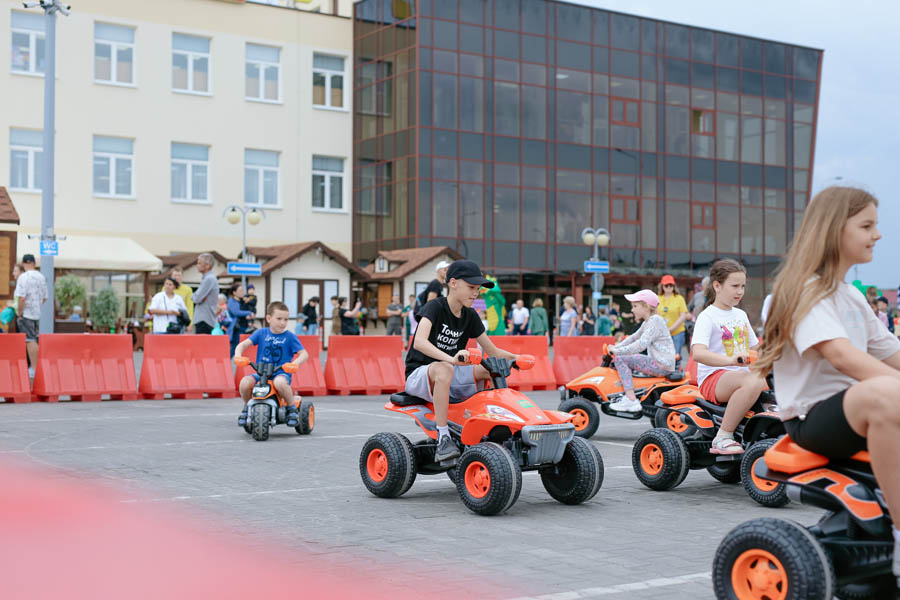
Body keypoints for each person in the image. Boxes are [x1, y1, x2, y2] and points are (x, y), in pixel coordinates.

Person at [753, 186, 900, 586]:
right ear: (836, 230)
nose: (878, 235)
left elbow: (891, 353)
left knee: (885, 391)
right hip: (814, 418)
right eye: (867, 225)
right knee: (886, 394)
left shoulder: (850, 295)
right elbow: (843, 357)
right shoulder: (804, 289)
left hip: (856, 409)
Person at [405, 260, 518, 461]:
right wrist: (451, 359)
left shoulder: (470, 315)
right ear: (453, 283)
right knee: (444, 369)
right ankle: (443, 437)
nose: (476, 293)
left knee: (489, 369)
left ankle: (488, 423)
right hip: (420, 375)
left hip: (450, 369)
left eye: (478, 289)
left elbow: (492, 351)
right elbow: (419, 343)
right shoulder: (435, 307)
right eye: (471, 288)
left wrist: (517, 359)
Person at [691, 259, 766, 455]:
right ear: (717, 285)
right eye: (734, 286)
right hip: (714, 378)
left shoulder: (740, 315)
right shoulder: (707, 316)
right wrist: (731, 361)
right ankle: (723, 435)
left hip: (739, 374)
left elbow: (757, 347)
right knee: (753, 380)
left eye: (742, 286)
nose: (740, 291)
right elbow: (698, 353)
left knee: (773, 380)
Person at [234, 301, 309, 428]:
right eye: (279, 318)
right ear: (269, 318)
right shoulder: (261, 333)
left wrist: (295, 363)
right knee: (244, 382)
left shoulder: (289, 336)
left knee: (279, 383)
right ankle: (248, 406)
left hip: (281, 372)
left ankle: (292, 409)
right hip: (261, 373)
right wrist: (238, 355)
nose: (282, 323)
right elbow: (243, 344)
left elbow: (304, 354)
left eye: (286, 319)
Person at [607, 290, 677, 412]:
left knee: (620, 359)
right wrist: (616, 347)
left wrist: (618, 352)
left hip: (660, 364)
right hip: (660, 363)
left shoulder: (655, 321)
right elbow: (634, 336)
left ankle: (631, 399)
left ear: (646, 307)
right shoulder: (649, 321)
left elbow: (641, 344)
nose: (632, 310)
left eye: (635, 306)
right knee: (622, 357)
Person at [14, 254, 47, 377]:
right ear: (34, 263)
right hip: (37, 314)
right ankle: (34, 367)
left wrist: (20, 313)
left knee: (30, 340)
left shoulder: (23, 277)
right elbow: (44, 298)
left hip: (27, 314)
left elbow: (21, 298)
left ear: (23, 264)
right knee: (33, 338)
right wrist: (36, 306)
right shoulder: (41, 277)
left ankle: (34, 368)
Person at [657, 275, 689, 356]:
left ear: (674, 286)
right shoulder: (658, 298)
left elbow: (683, 315)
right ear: (662, 286)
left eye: (671, 285)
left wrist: (671, 328)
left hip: (677, 332)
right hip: (662, 333)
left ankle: (677, 369)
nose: (668, 287)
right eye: (666, 285)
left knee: (675, 356)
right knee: (662, 356)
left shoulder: (679, 298)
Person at [191, 253, 219, 334]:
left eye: (199, 263)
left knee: (201, 345)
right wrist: (197, 296)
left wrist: (196, 296)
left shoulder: (209, 279)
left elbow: (196, 298)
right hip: (204, 319)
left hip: (204, 319)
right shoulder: (207, 278)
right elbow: (198, 297)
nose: (197, 265)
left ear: (207, 266)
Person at [226, 283, 254, 357]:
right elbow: (236, 312)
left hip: (244, 326)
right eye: (240, 290)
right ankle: (228, 362)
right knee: (235, 346)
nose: (242, 292)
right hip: (236, 327)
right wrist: (249, 313)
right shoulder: (231, 301)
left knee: (241, 346)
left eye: (242, 290)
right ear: (234, 292)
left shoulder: (242, 301)